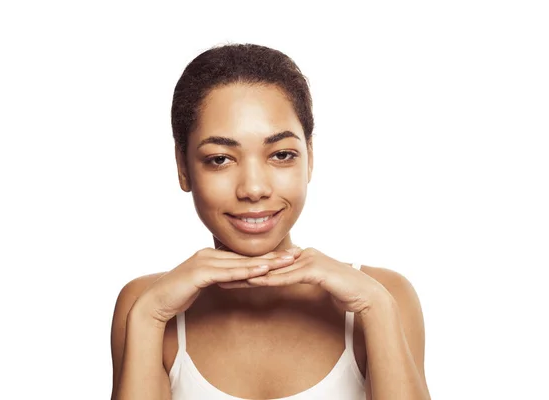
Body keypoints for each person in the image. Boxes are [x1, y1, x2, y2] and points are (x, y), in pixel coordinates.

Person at [110, 43, 431, 400]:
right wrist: (148, 316)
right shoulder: (147, 304)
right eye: (220, 159)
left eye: (281, 155)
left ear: (309, 157)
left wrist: (377, 308)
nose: (254, 188)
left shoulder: (382, 295)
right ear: (183, 168)